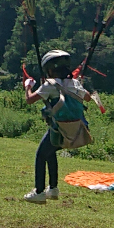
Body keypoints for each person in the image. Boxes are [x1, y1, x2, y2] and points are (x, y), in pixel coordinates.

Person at [22, 49, 100, 204]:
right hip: (75, 129)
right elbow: (87, 98)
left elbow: (30, 100)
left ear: (49, 70)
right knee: (50, 152)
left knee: (41, 155)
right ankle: (53, 189)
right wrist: (78, 85)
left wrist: (28, 86)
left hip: (59, 129)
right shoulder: (75, 83)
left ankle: (39, 192)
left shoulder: (49, 85)